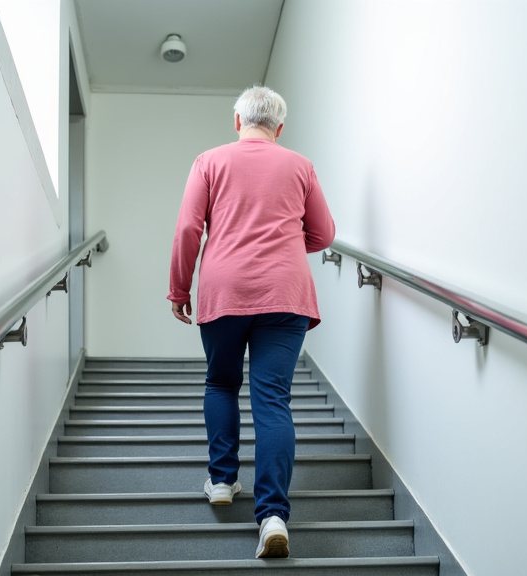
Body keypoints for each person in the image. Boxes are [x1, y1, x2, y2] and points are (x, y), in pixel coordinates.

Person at [167, 86, 336, 559]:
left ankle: (222, 482)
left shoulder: (210, 161)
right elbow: (323, 233)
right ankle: (273, 516)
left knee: (221, 384)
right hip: (286, 295)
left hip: (224, 290)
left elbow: (187, 229)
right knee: (272, 400)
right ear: (279, 128)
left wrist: (179, 289)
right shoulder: (300, 165)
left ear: (237, 121)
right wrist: (280, 245)